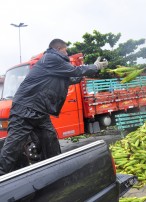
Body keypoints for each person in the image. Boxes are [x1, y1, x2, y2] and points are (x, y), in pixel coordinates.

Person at [0, 39, 108, 175]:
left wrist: (88, 71)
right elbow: (74, 71)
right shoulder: (51, 58)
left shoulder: (54, 65)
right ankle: (1, 177)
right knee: (13, 147)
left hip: (39, 111)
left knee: (50, 141)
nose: (67, 53)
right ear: (59, 49)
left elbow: (72, 78)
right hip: (25, 108)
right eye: (66, 50)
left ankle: (54, 172)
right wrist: (95, 66)